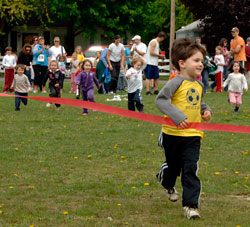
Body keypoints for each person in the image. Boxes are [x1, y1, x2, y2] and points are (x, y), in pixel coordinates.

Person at [155, 38, 212, 220]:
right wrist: (177, 116)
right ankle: (166, 180)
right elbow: (161, 100)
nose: (200, 64)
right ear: (182, 63)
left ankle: (191, 206)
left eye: (201, 61)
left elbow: (198, 100)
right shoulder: (175, 82)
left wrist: (205, 110)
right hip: (172, 134)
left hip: (193, 135)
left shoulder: (199, 84)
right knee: (173, 168)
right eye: (196, 60)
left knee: (190, 168)